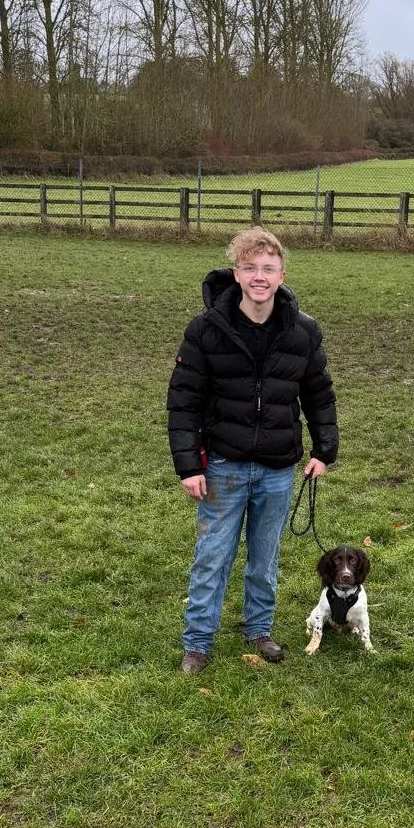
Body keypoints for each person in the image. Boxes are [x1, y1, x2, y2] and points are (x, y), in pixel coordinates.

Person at [167, 227, 338, 674]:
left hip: (278, 468)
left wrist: (324, 449)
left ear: (282, 276)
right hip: (222, 465)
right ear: (236, 274)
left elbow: (318, 394)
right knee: (212, 557)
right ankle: (198, 641)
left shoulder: (303, 331)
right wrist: (188, 464)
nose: (259, 276)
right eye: (250, 268)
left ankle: (258, 629)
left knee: (265, 558)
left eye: (268, 268)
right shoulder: (206, 330)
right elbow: (184, 400)